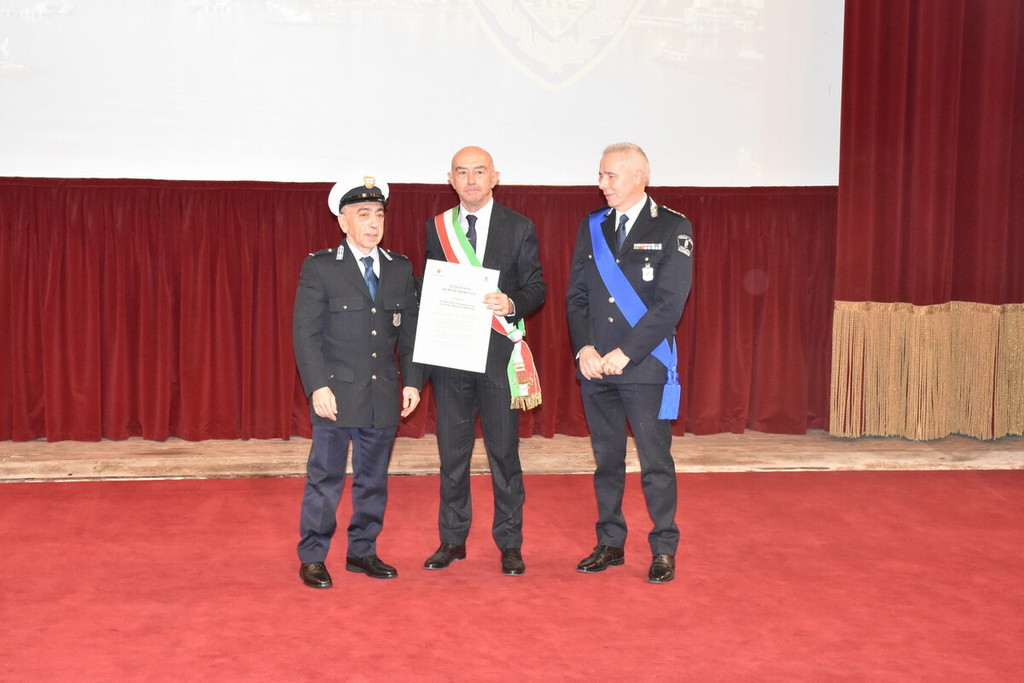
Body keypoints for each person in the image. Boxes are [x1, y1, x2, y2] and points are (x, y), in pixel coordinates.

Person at [565, 143, 694, 584]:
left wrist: (627, 352)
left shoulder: (672, 226)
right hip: (596, 367)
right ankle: (610, 543)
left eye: (610, 176)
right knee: (607, 461)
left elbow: (670, 303)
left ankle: (663, 548)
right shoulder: (593, 226)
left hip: (643, 366)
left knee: (655, 463)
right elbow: (577, 295)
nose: (602, 184)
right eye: (600, 175)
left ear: (639, 176)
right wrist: (584, 348)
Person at [292, 175, 423, 589]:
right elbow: (305, 334)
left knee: (373, 480)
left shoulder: (399, 268)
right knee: (325, 478)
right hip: (335, 393)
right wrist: (317, 386)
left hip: (382, 393)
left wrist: (412, 382)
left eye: (379, 214)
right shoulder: (321, 267)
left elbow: (410, 333)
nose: (373, 223)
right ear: (343, 221)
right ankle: (313, 556)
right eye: (363, 214)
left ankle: (362, 551)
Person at [421, 146, 546, 575]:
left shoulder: (519, 226)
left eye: (479, 171)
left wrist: (511, 303)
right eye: (462, 172)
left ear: (495, 177)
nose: (471, 179)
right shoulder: (437, 228)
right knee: (452, 457)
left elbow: (537, 287)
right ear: (450, 179)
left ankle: (510, 543)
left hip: (497, 360)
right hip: (451, 358)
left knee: (504, 456)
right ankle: (452, 540)